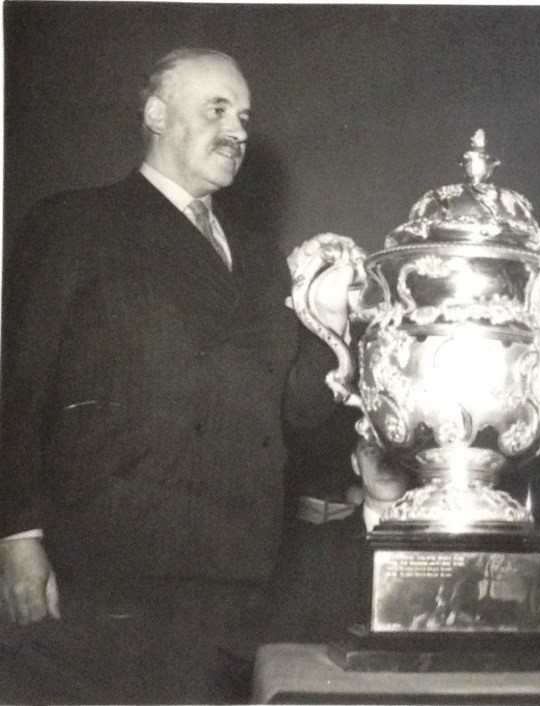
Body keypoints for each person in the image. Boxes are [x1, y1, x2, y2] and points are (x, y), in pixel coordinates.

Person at [0, 48, 349, 703]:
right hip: (107, 565)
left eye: (244, 115)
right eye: (217, 108)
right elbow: (17, 393)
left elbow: (297, 411)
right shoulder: (73, 223)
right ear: (156, 113)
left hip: (238, 569)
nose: (239, 130)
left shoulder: (262, 255)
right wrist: (16, 537)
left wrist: (328, 328)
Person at [262, 438, 411, 643]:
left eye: (395, 451)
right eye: (370, 451)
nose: (384, 463)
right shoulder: (316, 548)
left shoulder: (442, 546)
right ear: (355, 463)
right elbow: (283, 646)